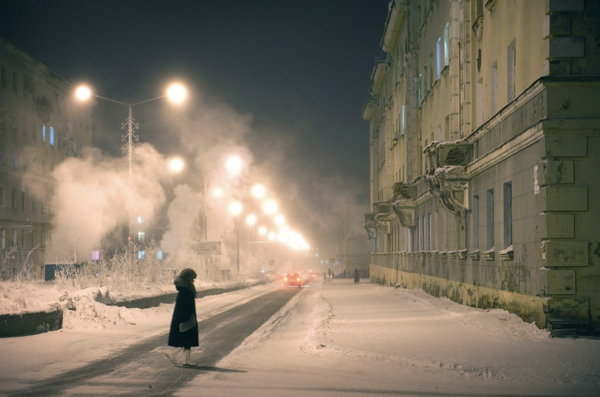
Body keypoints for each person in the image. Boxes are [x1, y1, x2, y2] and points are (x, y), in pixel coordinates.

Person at [166, 268, 199, 366]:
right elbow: (184, 307)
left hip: (186, 317)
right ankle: (182, 358)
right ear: (187, 278)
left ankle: (185, 359)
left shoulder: (185, 289)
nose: (193, 281)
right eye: (192, 278)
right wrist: (187, 320)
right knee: (187, 338)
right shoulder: (186, 291)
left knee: (186, 339)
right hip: (186, 318)